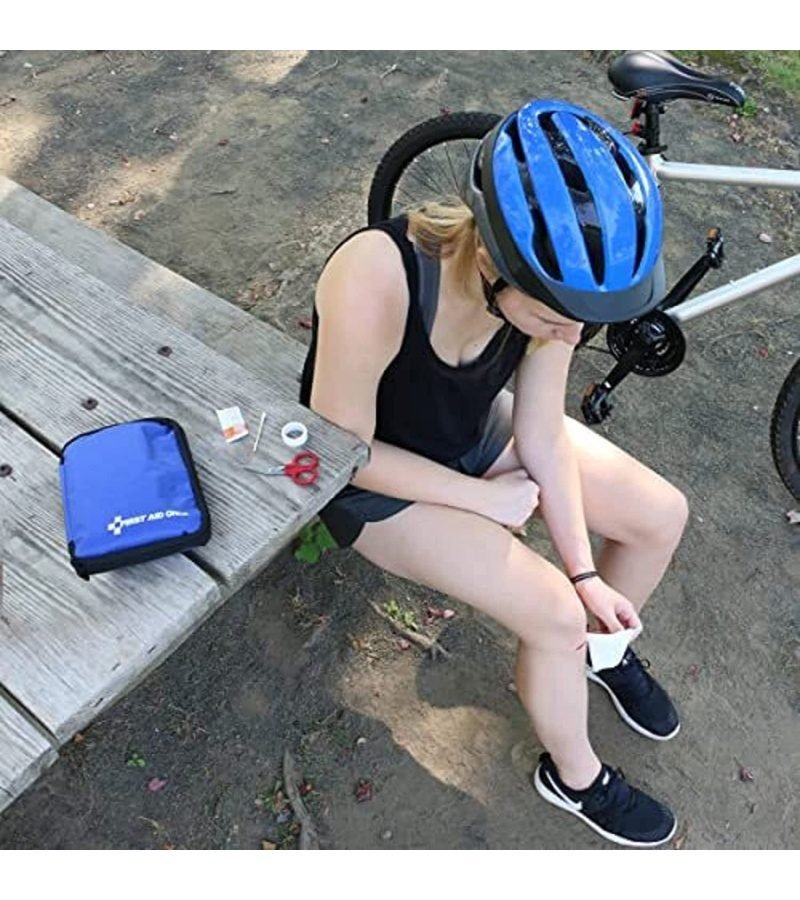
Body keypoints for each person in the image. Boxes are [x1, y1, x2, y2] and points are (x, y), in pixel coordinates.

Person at [299, 99, 688, 848]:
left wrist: (584, 572)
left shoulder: (555, 296)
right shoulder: (377, 275)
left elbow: (540, 432)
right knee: (552, 615)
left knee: (657, 516)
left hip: (469, 433)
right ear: (489, 263)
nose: (573, 333)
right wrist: (482, 500)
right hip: (371, 480)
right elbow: (343, 450)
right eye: (555, 317)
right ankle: (576, 777)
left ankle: (599, 651)